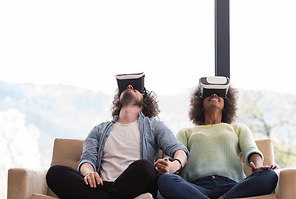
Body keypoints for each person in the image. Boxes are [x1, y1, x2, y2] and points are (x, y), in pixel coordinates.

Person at [46, 73, 189, 199]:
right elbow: (87, 159)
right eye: (126, 87)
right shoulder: (98, 130)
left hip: (135, 185)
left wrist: (173, 165)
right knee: (55, 172)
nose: (130, 87)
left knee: (146, 167)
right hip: (101, 185)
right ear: (118, 97)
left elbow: (179, 150)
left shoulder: (154, 126)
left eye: (135, 88)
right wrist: (89, 173)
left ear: (144, 100)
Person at [157, 76, 278, 199]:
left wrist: (258, 167)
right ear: (201, 104)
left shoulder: (238, 129)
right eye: (209, 94)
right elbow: (176, 157)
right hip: (197, 188)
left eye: (219, 94)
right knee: (165, 180)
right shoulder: (186, 132)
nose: (214, 95)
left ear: (226, 104)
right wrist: (167, 165)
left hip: (232, 187)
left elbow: (252, 151)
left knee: (270, 175)